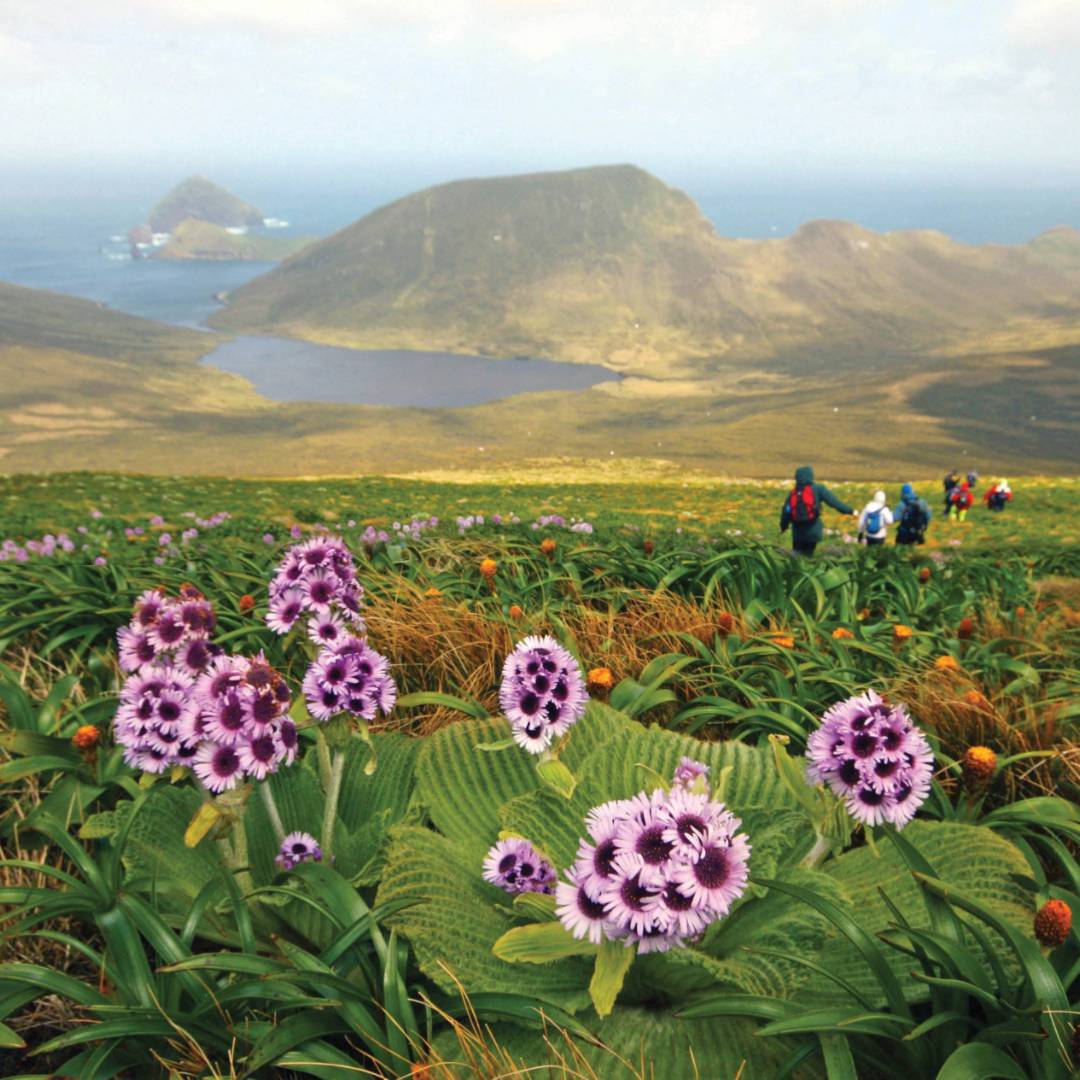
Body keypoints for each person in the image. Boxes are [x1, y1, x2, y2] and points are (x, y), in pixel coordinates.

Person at [779, 465, 856, 557]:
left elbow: (786, 512)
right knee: (808, 556)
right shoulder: (818, 488)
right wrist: (850, 511)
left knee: (797, 556)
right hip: (813, 531)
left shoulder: (793, 493)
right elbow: (834, 503)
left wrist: (783, 527)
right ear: (811, 476)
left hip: (798, 534)